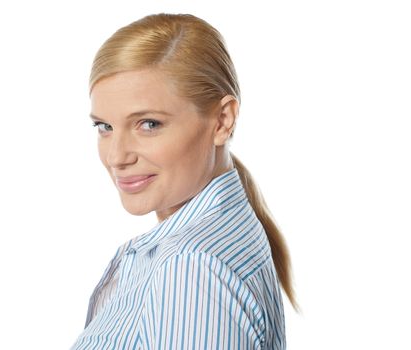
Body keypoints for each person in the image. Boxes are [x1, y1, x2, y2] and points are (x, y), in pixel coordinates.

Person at [70, 13, 297, 350]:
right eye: (104, 127)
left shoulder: (190, 269)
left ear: (222, 120)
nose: (116, 157)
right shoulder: (217, 237)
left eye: (148, 124)